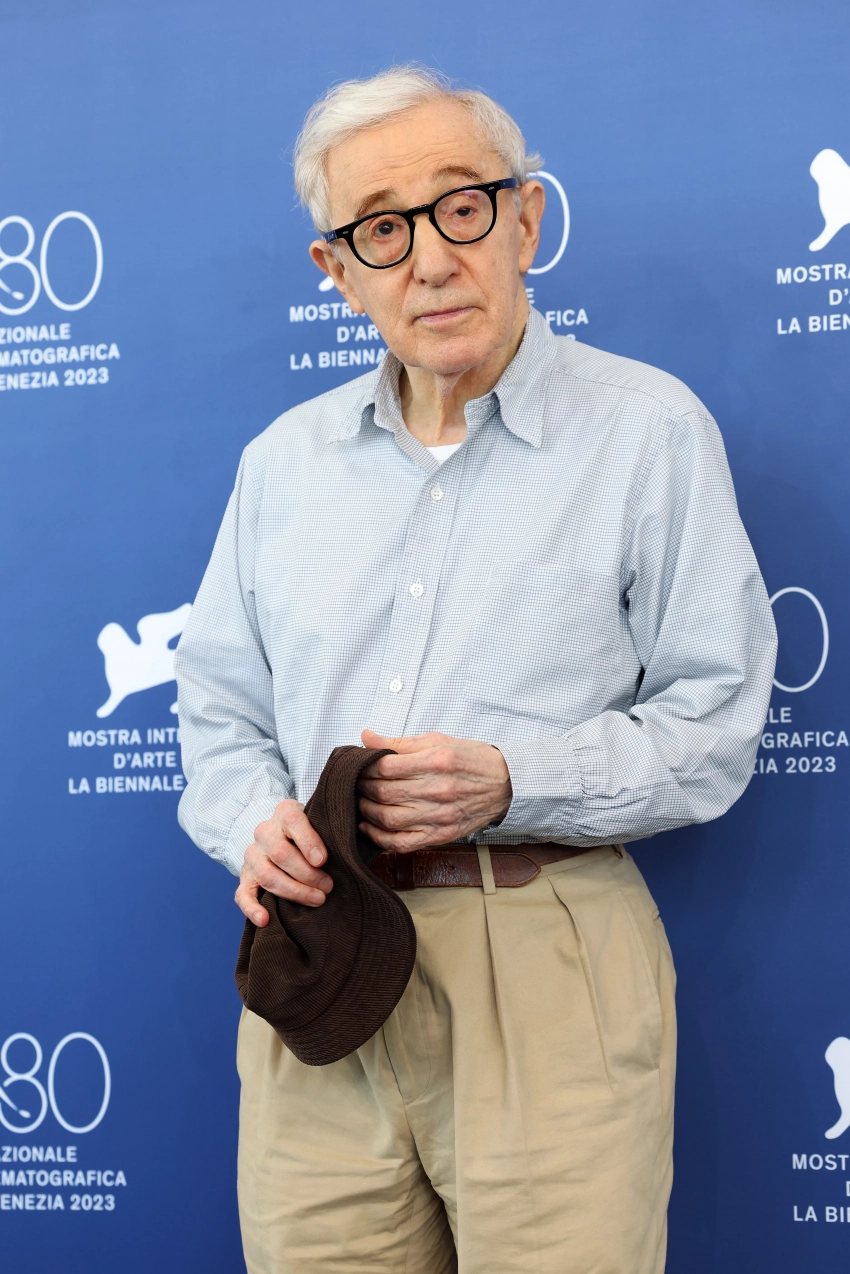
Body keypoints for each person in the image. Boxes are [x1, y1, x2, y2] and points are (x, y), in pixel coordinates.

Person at [175, 65, 777, 1274]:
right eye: (381, 229)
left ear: (525, 219)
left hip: (549, 958)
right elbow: (218, 708)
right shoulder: (282, 465)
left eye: (461, 207)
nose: (431, 260)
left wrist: (513, 779)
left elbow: (715, 721)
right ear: (336, 270)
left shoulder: (648, 431)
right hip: (322, 958)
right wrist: (252, 823)